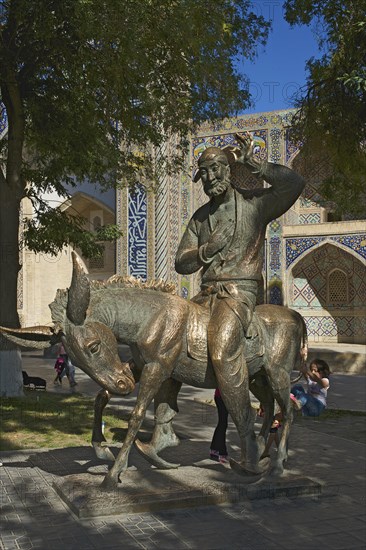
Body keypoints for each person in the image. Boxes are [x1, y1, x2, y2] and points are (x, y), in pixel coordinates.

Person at [175, 132, 305, 439]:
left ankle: (245, 433)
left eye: (213, 170)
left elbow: (294, 184)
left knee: (221, 351)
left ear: (227, 169)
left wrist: (256, 165)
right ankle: (163, 430)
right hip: (206, 293)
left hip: (238, 294)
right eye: (203, 173)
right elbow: (182, 263)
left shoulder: (254, 205)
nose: (208, 178)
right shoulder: (200, 217)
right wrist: (207, 250)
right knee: (167, 342)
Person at [209, 388, 229, 463]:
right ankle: (221, 452)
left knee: (222, 424)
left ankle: (214, 450)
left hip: (222, 397)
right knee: (223, 424)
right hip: (221, 397)